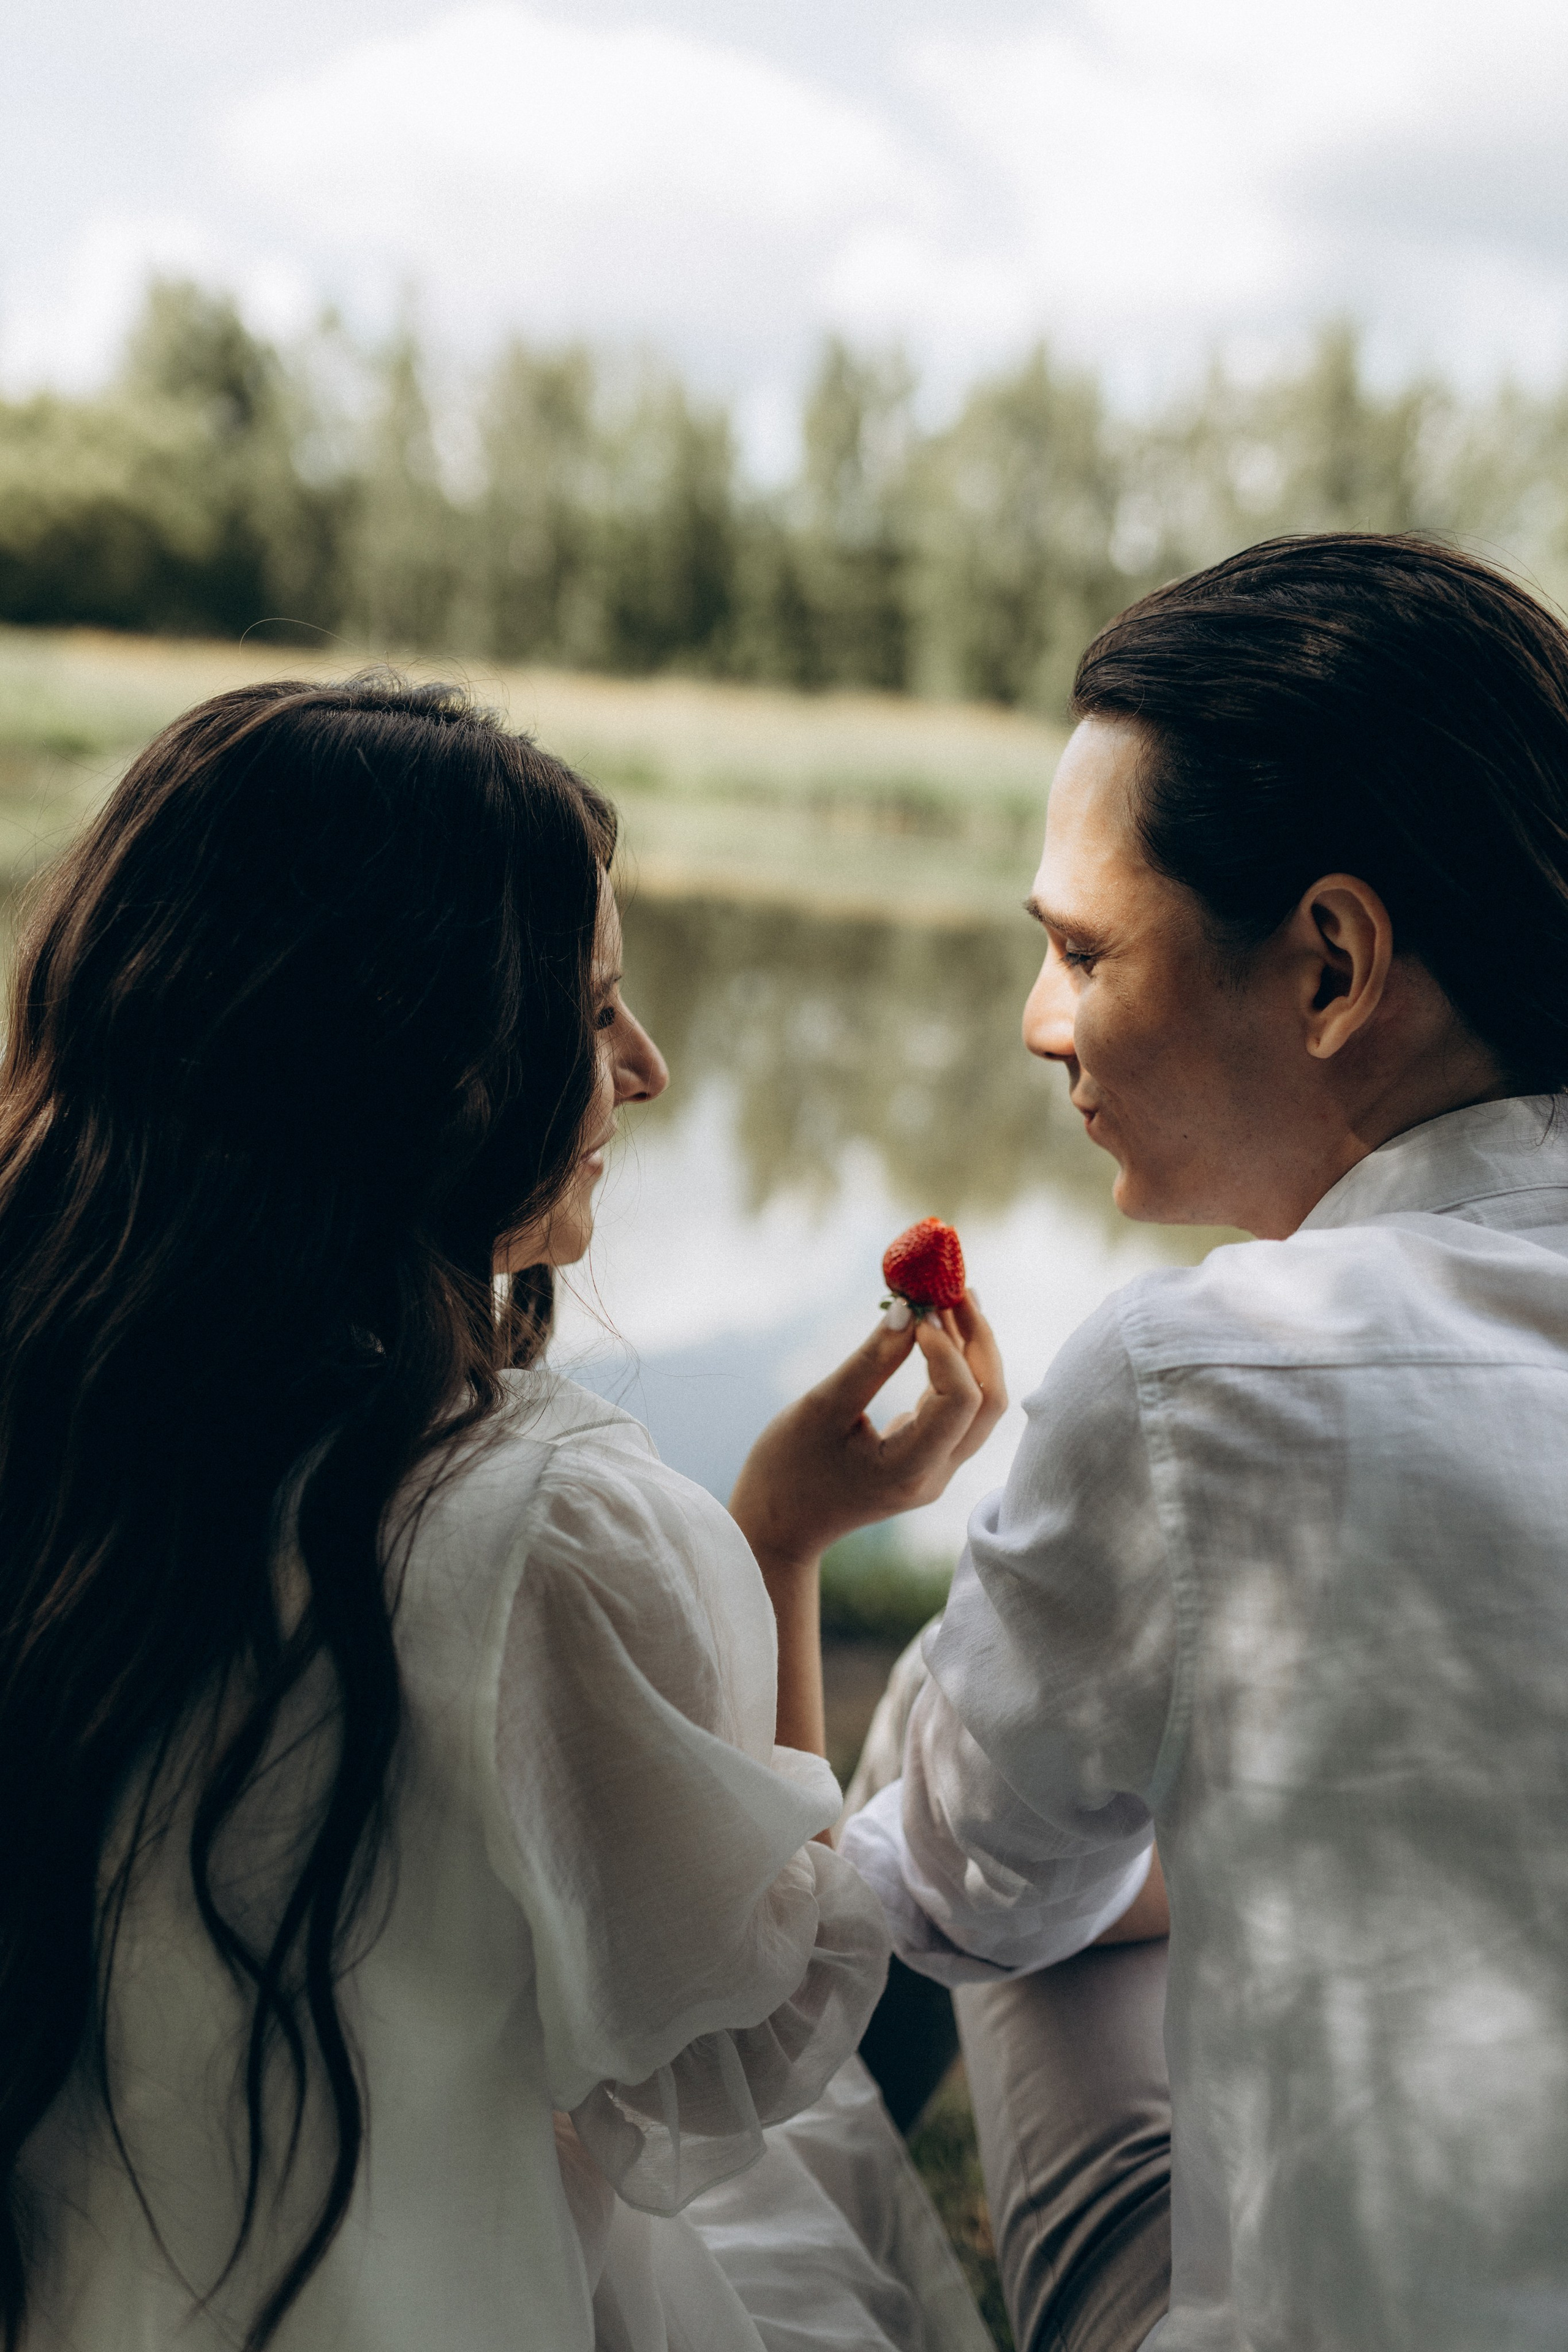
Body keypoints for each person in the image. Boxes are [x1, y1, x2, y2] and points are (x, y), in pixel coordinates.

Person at [0, 676, 1003, 2352]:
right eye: (591, 1013)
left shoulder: (64, 1395)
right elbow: (735, 2053)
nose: (649, 1067)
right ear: (424, 1065)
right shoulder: (541, 1527)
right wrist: (778, 1545)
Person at [841, 533, 1568, 2352]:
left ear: (1332, 963)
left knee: (980, 1809)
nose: (1041, 1024)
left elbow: (970, 1897)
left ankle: (817, 2188)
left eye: (1082, 951)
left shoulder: (1203, 1378)